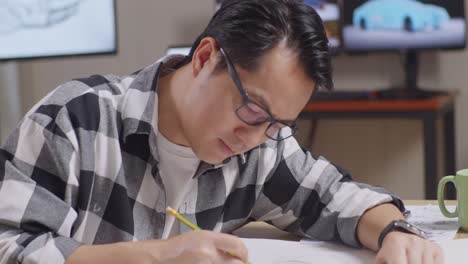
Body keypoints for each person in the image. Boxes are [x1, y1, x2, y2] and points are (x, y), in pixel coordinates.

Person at [0, 0, 442, 263]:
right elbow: (11, 248)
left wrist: (396, 233)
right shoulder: (75, 120)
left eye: (279, 125)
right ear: (205, 57)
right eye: (252, 109)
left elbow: (334, 197)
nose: (254, 137)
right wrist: (157, 256)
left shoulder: (261, 148)